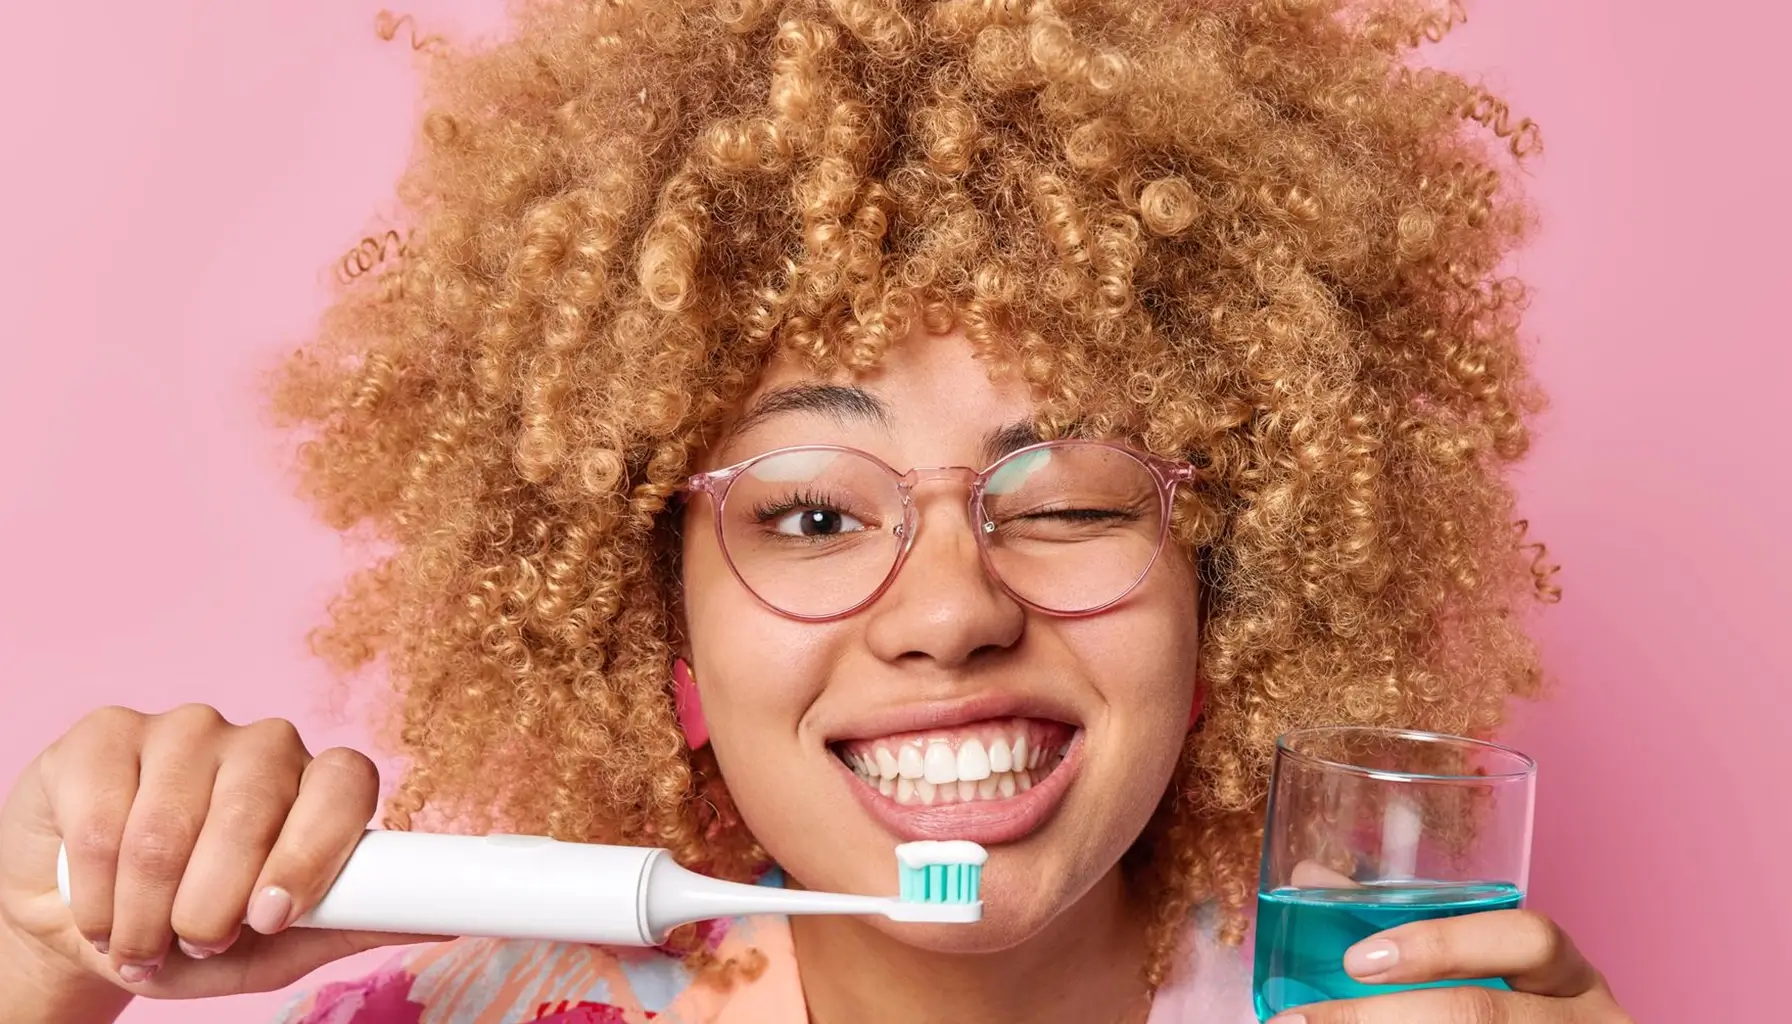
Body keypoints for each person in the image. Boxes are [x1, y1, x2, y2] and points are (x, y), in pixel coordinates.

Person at [0, 1, 1637, 1021]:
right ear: (658, 623)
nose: (949, 608)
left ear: (1231, 585)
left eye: (1064, 495)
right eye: (805, 517)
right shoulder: (471, 1014)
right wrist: (43, 974)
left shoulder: (1385, 1010)